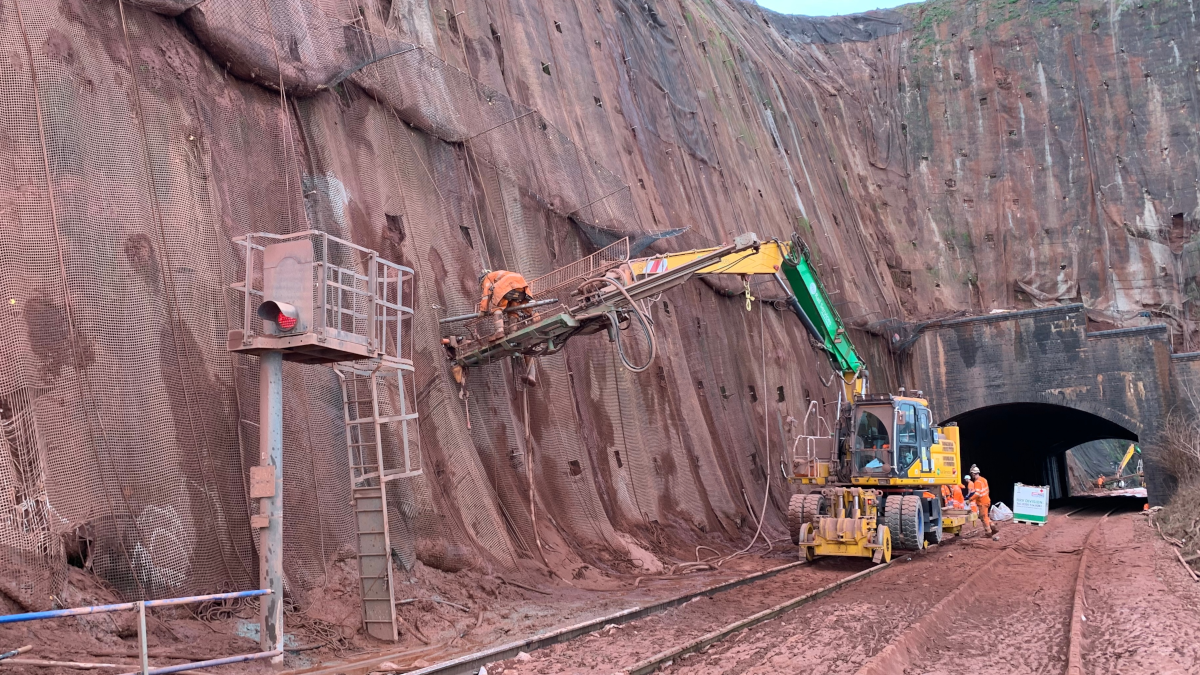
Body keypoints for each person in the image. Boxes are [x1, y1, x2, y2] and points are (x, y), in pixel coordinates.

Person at [477, 269, 538, 385]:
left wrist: (483, 310)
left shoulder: (487, 278)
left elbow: (486, 295)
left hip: (505, 286)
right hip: (520, 287)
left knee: (497, 308)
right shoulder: (502, 274)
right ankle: (512, 330)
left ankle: (499, 331)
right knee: (512, 310)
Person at [964, 464, 998, 535]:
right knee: (985, 516)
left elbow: (977, 494)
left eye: (972, 474)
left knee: (983, 517)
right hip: (987, 500)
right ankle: (993, 527)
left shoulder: (977, 482)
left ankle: (988, 532)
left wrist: (970, 499)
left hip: (982, 502)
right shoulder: (984, 479)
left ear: (973, 473)